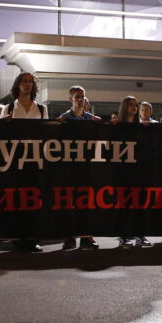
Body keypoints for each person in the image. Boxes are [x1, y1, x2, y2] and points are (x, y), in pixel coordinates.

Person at [4, 72, 47, 252]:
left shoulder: (42, 109)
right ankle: (17, 236)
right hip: (15, 159)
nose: (28, 84)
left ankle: (33, 237)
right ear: (18, 85)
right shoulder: (9, 108)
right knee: (17, 198)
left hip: (35, 160)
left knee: (35, 198)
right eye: (24, 81)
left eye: (31, 82)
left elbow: (47, 135)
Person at [58, 86, 102, 250]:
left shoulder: (91, 119)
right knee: (69, 202)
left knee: (86, 202)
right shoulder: (63, 118)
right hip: (69, 167)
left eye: (82, 96)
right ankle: (69, 237)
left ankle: (86, 237)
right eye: (77, 96)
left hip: (86, 167)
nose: (80, 99)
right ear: (71, 99)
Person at [114, 96, 150, 248]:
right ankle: (124, 235)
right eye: (131, 105)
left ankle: (140, 234)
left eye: (136, 105)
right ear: (125, 107)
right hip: (122, 172)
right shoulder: (117, 126)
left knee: (140, 203)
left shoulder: (141, 127)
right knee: (124, 205)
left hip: (139, 171)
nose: (134, 107)